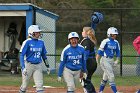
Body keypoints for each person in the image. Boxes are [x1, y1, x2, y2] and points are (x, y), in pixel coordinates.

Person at [19, 25, 50, 93]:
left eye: (39, 32)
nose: (39, 34)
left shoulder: (41, 42)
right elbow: (21, 55)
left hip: (38, 66)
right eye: (37, 32)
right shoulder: (27, 42)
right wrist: (23, 67)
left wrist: (47, 66)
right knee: (24, 86)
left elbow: (44, 55)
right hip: (28, 65)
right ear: (32, 33)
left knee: (39, 85)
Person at [96, 27, 120, 93]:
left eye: (115, 34)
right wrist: (97, 59)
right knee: (111, 75)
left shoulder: (116, 42)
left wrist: (117, 60)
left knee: (105, 77)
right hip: (104, 60)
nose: (115, 35)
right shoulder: (105, 41)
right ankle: (115, 91)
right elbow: (100, 51)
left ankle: (100, 91)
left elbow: (118, 51)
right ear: (109, 34)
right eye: (113, 34)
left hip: (111, 60)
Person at [80, 27, 97, 92]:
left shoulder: (86, 41)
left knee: (84, 81)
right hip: (93, 62)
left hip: (89, 63)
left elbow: (86, 54)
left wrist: (83, 66)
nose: (82, 32)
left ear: (86, 33)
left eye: (83, 31)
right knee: (88, 80)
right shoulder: (90, 40)